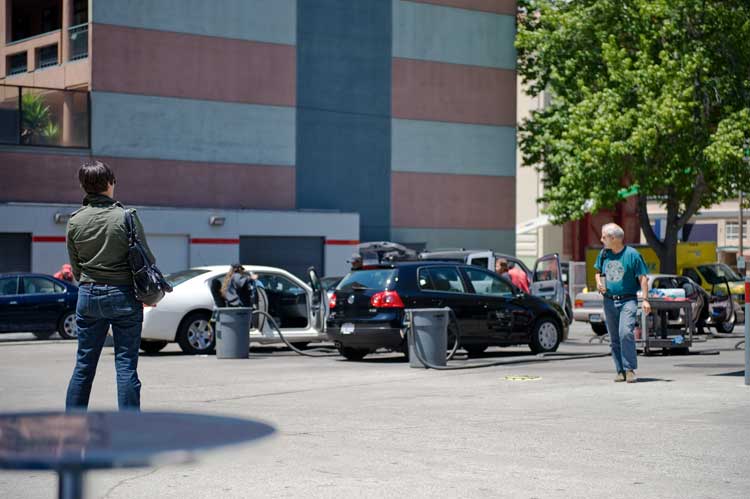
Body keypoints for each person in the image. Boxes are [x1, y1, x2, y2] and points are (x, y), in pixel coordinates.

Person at [65, 160, 154, 411]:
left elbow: (76, 269)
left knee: (83, 366)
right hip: (123, 295)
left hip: (88, 295)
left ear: (84, 186)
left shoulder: (75, 221)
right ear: (110, 183)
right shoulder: (127, 217)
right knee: (125, 366)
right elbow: (147, 257)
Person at [595, 223, 651, 383]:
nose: (601, 239)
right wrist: (599, 283)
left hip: (628, 300)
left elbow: (643, 277)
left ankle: (630, 369)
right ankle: (620, 371)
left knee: (625, 333)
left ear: (613, 238)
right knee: (614, 338)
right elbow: (598, 272)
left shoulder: (633, 255)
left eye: (604, 237)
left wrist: (645, 300)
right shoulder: (604, 254)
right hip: (609, 301)